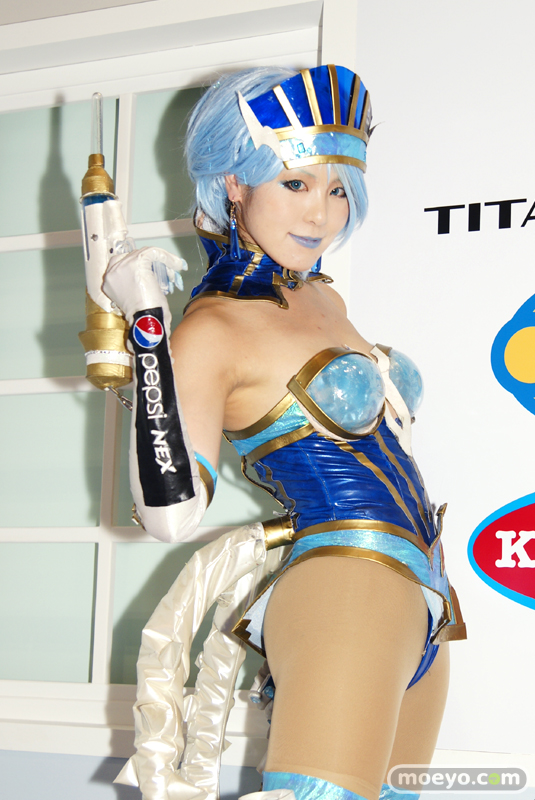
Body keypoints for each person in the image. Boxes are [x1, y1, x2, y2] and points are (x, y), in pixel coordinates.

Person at [104, 65, 466, 800]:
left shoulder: (323, 298)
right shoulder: (213, 328)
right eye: (296, 184)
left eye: (338, 190)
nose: (321, 214)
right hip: (345, 590)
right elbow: (170, 515)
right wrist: (146, 328)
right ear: (234, 183)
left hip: (425, 601)